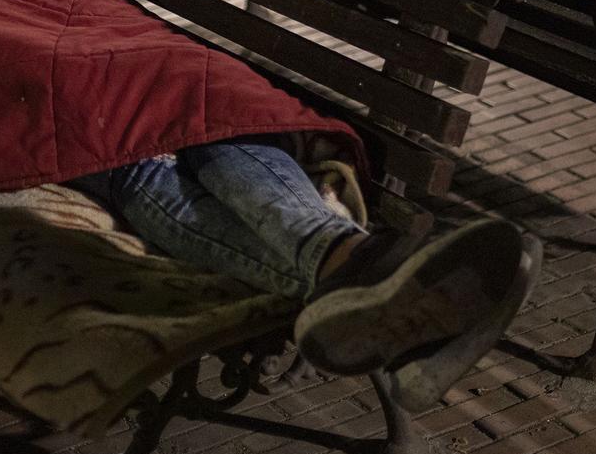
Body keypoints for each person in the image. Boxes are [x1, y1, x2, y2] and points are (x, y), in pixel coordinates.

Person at [72, 139, 540, 413]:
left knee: (200, 145)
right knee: (138, 174)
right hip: (119, 141)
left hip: (203, 115)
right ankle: (363, 271)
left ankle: (357, 267)